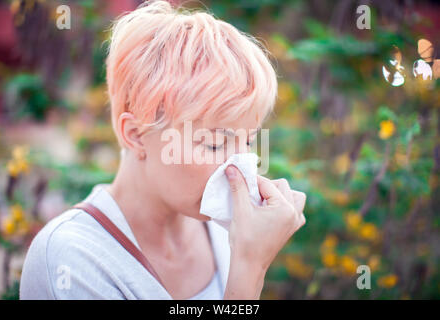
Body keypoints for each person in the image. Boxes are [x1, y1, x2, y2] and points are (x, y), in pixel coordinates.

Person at [20, 0, 306, 300]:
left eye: (248, 142)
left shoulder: (226, 231)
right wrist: (249, 268)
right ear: (136, 135)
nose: (238, 168)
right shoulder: (72, 260)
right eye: (214, 144)